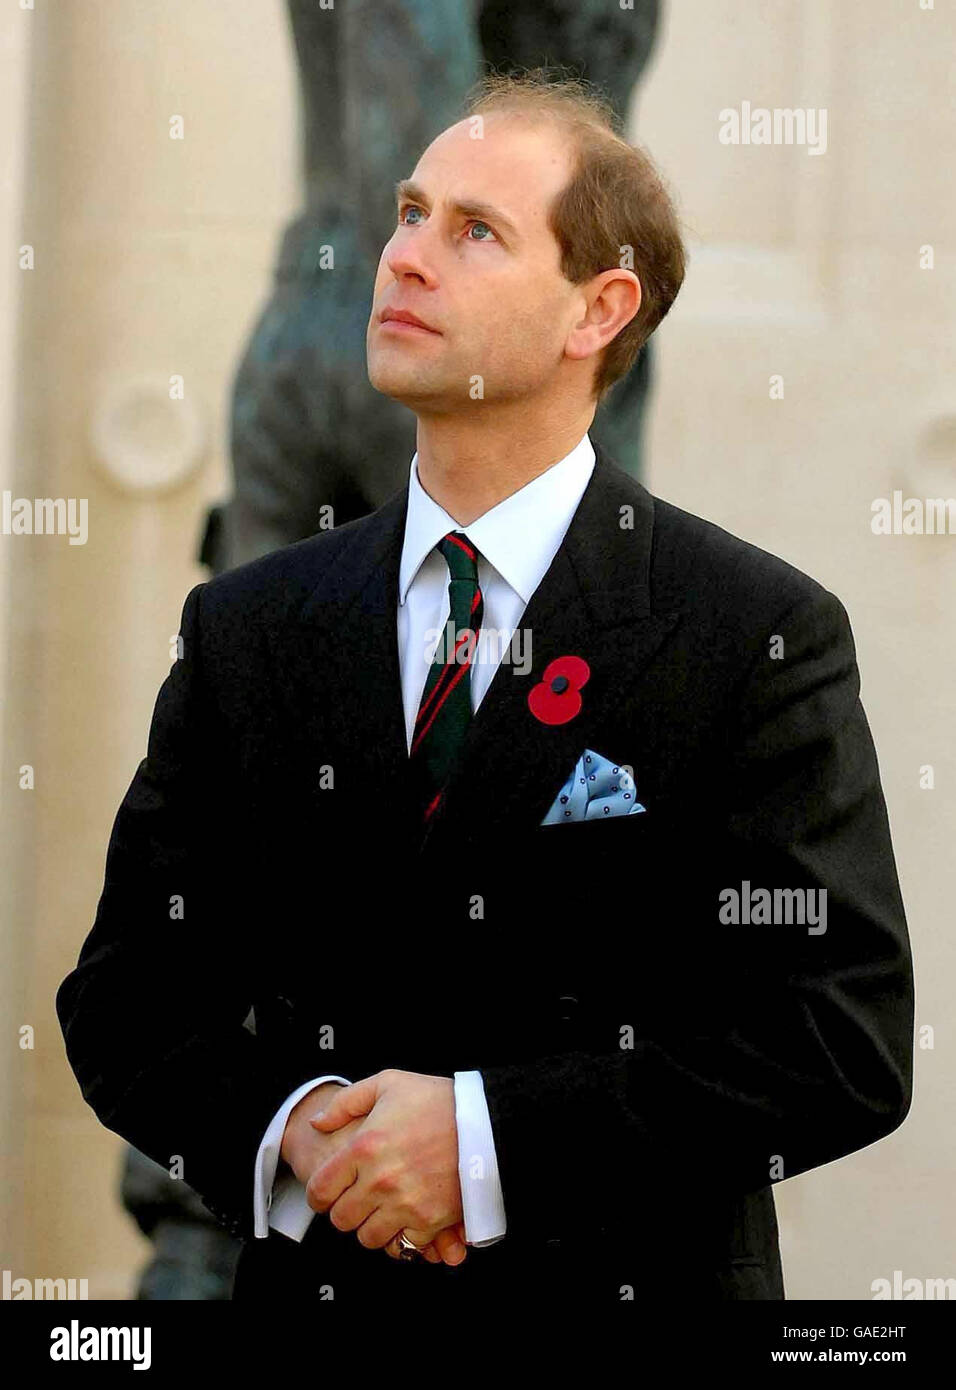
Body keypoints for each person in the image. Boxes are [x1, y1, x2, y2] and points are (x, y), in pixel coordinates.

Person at [57, 72, 914, 1306]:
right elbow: (128, 995)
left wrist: (480, 1145)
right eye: (409, 213)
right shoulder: (249, 625)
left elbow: (834, 1040)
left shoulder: (752, 634)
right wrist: (295, 1133)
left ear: (596, 309)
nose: (401, 257)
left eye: (473, 232)